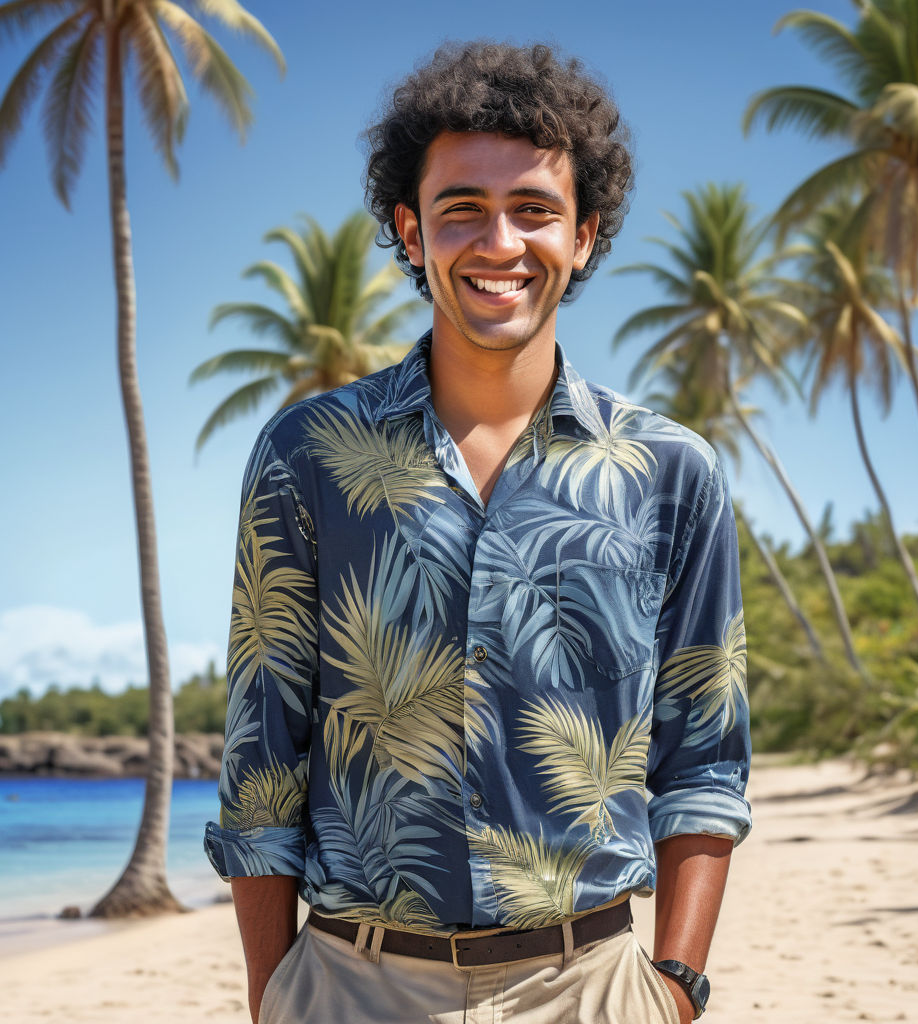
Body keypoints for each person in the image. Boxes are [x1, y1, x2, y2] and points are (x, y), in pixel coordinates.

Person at [204, 41, 751, 1024]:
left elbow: (704, 758)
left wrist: (675, 989)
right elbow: (263, 755)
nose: (498, 241)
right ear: (412, 233)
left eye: (534, 210)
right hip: (352, 985)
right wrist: (274, 994)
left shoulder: (670, 474)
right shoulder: (310, 455)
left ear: (582, 236)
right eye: (462, 209)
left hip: (591, 986)